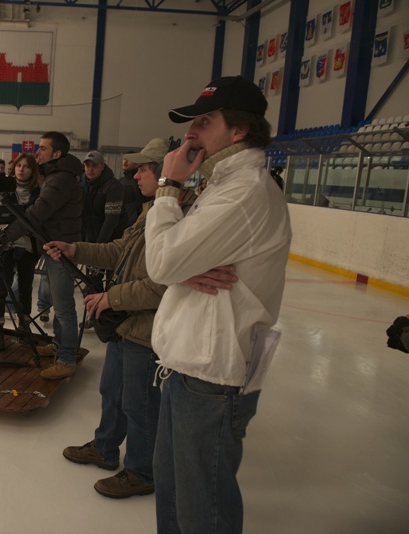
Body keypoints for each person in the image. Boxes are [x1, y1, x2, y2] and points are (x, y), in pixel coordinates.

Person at [144, 76, 292, 533]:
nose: (191, 132)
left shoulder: (243, 191)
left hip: (211, 375)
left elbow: (162, 262)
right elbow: (173, 261)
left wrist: (168, 185)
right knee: (174, 492)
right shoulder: (222, 183)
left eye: (204, 122)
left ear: (239, 130)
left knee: (200, 508)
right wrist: (180, 266)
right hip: (188, 365)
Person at [46, 138, 197, 499]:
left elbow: (163, 284)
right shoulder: (152, 210)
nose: (136, 175)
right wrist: (75, 249)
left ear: (164, 172)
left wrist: (110, 298)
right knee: (111, 391)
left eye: (143, 169)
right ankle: (105, 448)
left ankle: (142, 471)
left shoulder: (185, 217)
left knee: (140, 404)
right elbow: (119, 250)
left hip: (148, 329)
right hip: (125, 323)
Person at [1, 131, 83, 380]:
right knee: (60, 302)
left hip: (61, 250)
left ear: (57, 154)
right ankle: (60, 345)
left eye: (43, 148)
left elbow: (36, 214)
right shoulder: (56, 175)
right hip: (53, 246)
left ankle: (67, 359)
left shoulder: (60, 180)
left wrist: (5, 236)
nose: (38, 153)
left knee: (63, 306)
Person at [0, 153, 42, 349]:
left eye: (26, 166)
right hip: (6, 245)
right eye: (19, 165)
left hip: (28, 247)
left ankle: (23, 328)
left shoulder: (39, 193)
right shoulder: (4, 189)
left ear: (32, 170)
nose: (21, 169)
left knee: (25, 289)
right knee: (1, 288)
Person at [79, 150, 125, 322]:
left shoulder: (113, 186)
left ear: (102, 167)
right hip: (93, 239)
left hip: (114, 242)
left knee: (112, 283)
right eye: (87, 165)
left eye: (94, 166)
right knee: (92, 282)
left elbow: (111, 219)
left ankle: (111, 319)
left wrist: (98, 247)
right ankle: (94, 317)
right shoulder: (82, 184)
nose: (90, 169)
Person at [119, 151, 146, 229]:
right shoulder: (120, 181)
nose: (125, 161)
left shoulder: (140, 182)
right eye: (124, 159)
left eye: (129, 159)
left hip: (135, 226)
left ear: (136, 163)